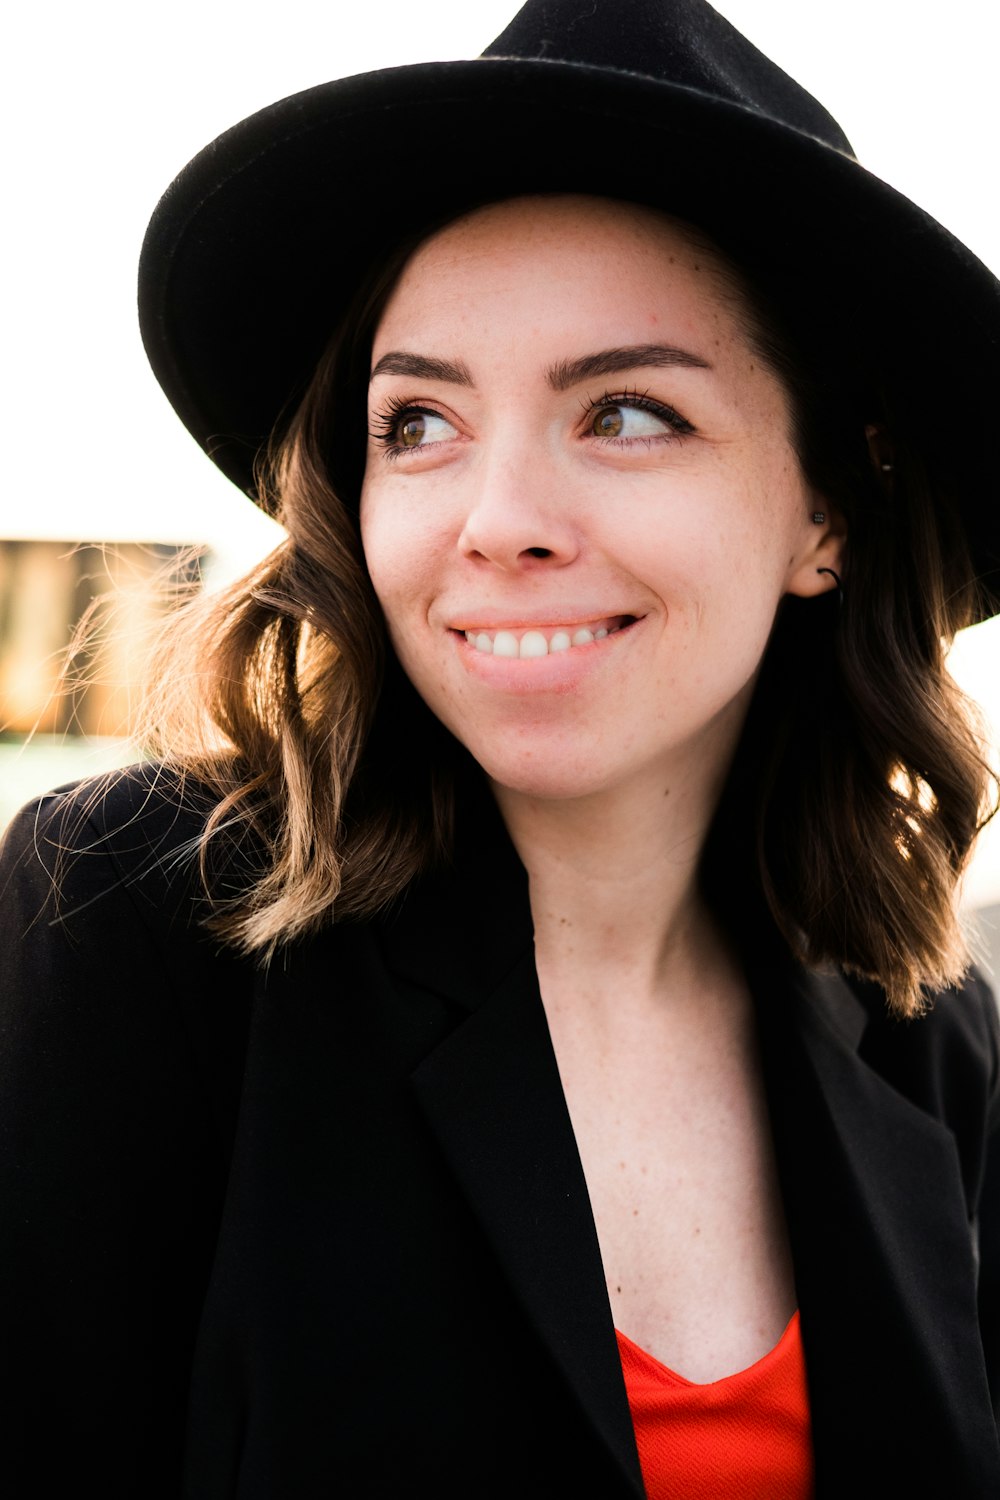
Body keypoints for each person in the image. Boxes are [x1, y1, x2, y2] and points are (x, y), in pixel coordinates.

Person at [2, 1, 999, 1495]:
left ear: (827, 516)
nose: (496, 517)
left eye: (627, 411)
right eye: (418, 423)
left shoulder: (931, 1043)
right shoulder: (136, 922)